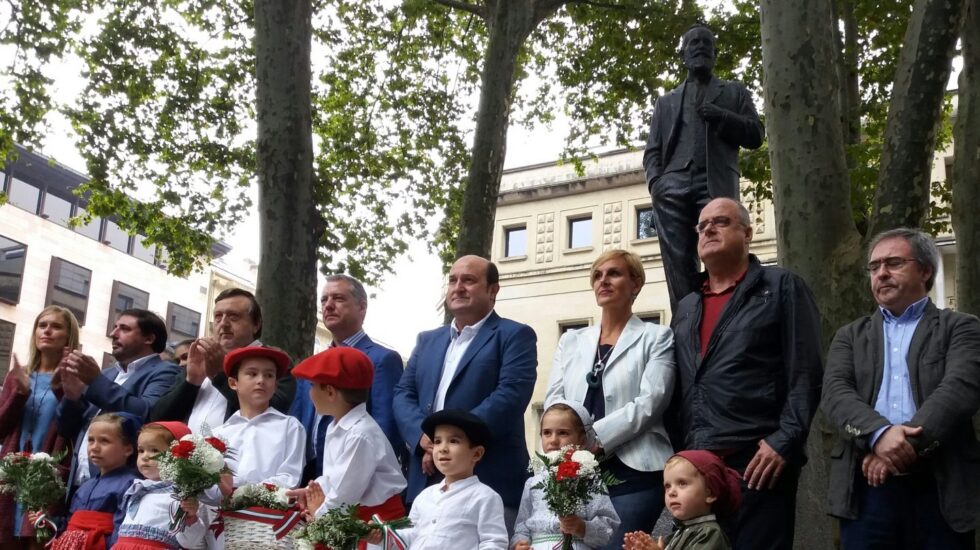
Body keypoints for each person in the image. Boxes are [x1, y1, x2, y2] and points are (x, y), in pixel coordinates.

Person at [667, 198, 822, 549]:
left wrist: (785, 440)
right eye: (702, 225)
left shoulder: (781, 287)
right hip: (699, 463)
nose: (708, 229)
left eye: (720, 222)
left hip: (758, 460)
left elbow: (806, 371)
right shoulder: (688, 306)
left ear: (748, 233)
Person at [822, 228, 980, 549]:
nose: (881, 273)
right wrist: (878, 435)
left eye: (893, 263)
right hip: (866, 491)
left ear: (925, 270)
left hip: (940, 486)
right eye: (875, 266)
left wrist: (897, 451)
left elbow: (960, 390)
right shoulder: (849, 337)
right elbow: (835, 395)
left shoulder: (961, 327)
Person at [393, 255, 537, 528]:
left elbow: (510, 396)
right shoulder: (427, 340)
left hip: (488, 479)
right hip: (427, 481)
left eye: (468, 280)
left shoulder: (515, 335)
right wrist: (423, 438)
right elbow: (403, 393)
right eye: (452, 280)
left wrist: (446, 440)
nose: (457, 287)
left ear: (493, 290)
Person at [544, 249, 675, 549]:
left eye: (614, 273)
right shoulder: (571, 340)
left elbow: (651, 401)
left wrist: (596, 438)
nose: (603, 281)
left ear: (636, 284)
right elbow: (554, 400)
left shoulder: (657, 337)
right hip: (573, 469)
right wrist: (565, 443)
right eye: (597, 276)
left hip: (634, 471)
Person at [643, 23, 764, 312]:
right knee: (678, 260)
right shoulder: (666, 102)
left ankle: (725, 312)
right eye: (693, 43)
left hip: (716, 184)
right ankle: (685, 318)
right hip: (672, 185)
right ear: (683, 55)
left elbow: (756, 135)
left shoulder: (733, 93)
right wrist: (657, 185)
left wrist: (722, 116)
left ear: (714, 53)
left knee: (723, 250)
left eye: (706, 43)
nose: (699, 46)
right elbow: (653, 152)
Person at [287, 347, 406, 549]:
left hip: (374, 524)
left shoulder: (359, 434)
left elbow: (343, 497)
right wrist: (310, 492)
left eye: (313, 386)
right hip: (351, 517)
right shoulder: (338, 426)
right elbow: (336, 478)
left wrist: (319, 513)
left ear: (331, 392)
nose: (309, 393)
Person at [290, 274, 404, 483]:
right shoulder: (312, 365)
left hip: (355, 479)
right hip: (307, 476)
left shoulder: (382, 360)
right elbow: (298, 421)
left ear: (362, 307)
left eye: (338, 298)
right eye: (324, 300)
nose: (329, 305)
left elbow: (385, 430)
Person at [57, 310, 180, 490]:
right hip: (79, 483)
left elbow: (147, 414)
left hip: (120, 486)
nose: (113, 334)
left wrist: (96, 382)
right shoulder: (108, 374)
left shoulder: (165, 371)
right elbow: (66, 429)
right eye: (115, 327)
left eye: (124, 329)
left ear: (149, 338)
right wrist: (72, 397)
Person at [150, 288, 297, 432]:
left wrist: (219, 375)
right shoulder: (200, 357)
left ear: (256, 324)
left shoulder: (275, 360)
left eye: (233, 317)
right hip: (186, 455)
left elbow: (274, 412)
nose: (223, 324)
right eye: (218, 317)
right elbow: (157, 419)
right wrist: (191, 382)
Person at [0, 306, 79, 548]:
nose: (47, 331)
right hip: (12, 472)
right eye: (42, 325)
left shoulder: (75, 376)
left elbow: (74, 427)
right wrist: (19, 394)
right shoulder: (18, 375)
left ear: (68, 336)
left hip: (50, 473)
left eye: (56, 326)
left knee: (38, 538)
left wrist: (61, 388)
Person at [511, 401, 620, 550]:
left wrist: (582, 527)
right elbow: (522, 524)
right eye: (547, 432)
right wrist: (519, 543)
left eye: (563, 433)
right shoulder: (533, 482)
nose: (553, 440)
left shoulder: (589, 480)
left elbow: (608, 526)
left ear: (581, 441)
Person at [394, 409, 508, 549]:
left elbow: (494, 542)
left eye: (453, 441)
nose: (443, 448)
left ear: (477, 453)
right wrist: (382, 535)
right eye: (437, 441)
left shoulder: (485, 497)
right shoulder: (425, 496)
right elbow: (409, 535)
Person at [47, 412, 142, 550]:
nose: (94, 447)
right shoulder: (85, 486)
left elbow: (123, 527)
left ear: (127, 449)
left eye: (104, 441)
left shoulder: (131, 484)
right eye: (91, 440)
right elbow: (70, 524)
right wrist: (48, 521)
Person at [112, 421, 207, 549]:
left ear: (178, 456)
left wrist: (190, 517)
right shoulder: (137, 489)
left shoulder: (181, 494)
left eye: (154, 450)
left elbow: (190, 542)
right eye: (141, 450)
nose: (145, 456)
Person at [623, 450, 741, 550]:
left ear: (710, 493)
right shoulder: (680, 532)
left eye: (682, 483)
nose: (671, 492)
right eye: (667, 486)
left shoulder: (709, 533)